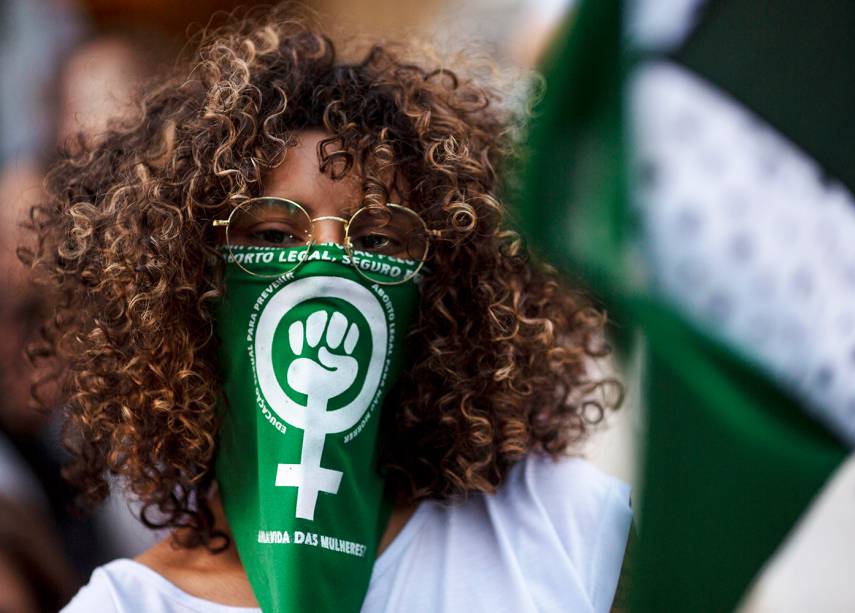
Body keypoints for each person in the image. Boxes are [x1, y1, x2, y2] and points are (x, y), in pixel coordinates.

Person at [25, 9, 632, 612]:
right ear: (183, 284)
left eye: (376, 241)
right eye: (270, 236)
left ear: (448, 292)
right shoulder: (125, 607)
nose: (326, 271)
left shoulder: (566, 526)